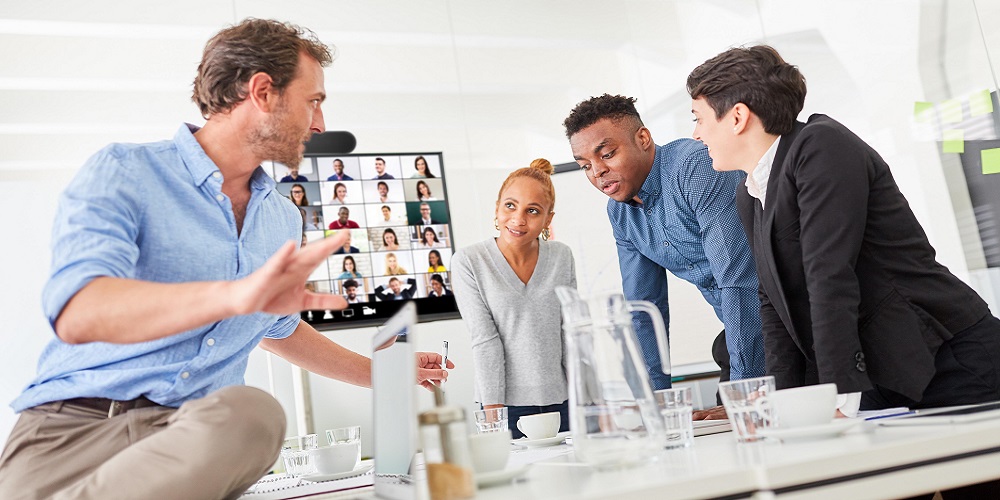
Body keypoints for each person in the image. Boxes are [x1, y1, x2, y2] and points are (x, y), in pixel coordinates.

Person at [0, 19, 453, 500]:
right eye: (314, 100)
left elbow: (276, 328)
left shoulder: (281, 218)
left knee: (255, 414)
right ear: (262, 91)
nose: (319, 123)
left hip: (196, 442)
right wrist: (234, 295)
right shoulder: (127, 172)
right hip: (74, 434)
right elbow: (79, 312)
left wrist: (379, 373)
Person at [686, 45, 1000, 417]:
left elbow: (829, 273)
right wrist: (783, 402)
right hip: (883, 378)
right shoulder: (750, 191)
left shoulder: (820, 146)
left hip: (948, 360)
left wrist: (838, 395)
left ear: (737, 116)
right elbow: (773, 301)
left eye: (699, 118)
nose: (695, 135)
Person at [563, 94, 765, 396]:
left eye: (606, 154)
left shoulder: (694, 167)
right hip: (744, 333)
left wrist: (744, 391)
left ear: (643, 138)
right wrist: (655, 402)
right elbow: (643, 308)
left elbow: (738, 278)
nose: (597, 171)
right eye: (585, 165)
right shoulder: (621, 214)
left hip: (792, 323)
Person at [452, 158, 577, 439]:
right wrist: (494, 417)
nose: (518, 219)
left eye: (533, 211)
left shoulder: (561, 257)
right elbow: (484, 339)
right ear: (497, 208)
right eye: (510, 205)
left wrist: (590, 401)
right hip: (504, 407)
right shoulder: (469, 262)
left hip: (564, 403)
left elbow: (571, 332)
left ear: (548, 219)